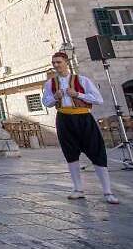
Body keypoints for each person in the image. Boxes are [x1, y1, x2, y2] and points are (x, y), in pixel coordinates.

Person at [42, 51, 119, 204]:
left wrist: (77, 94)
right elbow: (46, 102)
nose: (56, 65)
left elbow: (98, 99)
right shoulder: (50, 83)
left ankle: (107, 191)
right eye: (54, 63)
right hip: (64, 118)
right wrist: (55, 97)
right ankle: (78, 189)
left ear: (66, 62)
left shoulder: (83, 80)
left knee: (96, 151)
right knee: (70, 153)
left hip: (83, 117)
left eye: (59, 62)